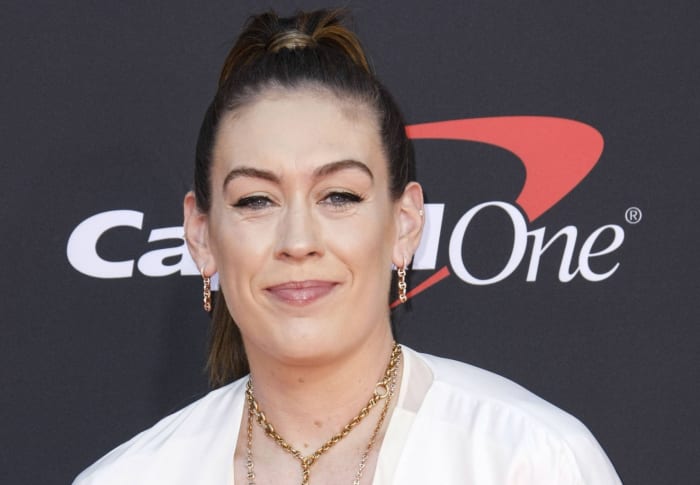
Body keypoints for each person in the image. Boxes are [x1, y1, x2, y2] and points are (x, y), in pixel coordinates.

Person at [73, 9, 622, 485]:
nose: (298, 241)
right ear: (201, 235)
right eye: (256, 200)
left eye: (339, 196)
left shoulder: (530, 459)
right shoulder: (130, 477)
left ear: (405, 224)